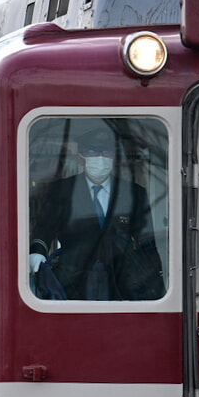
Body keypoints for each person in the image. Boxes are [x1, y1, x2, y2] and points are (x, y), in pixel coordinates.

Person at [28, 122, 163, 301]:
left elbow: (147, 237)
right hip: (74, 275)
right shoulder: (62, 190)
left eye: (106, 152)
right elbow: (44, 227)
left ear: (114, 157)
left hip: (122, 278)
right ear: (80, 156)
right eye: (93, 152)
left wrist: (154, 273)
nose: (100, 158)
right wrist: (37, 252)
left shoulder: (133, 192)